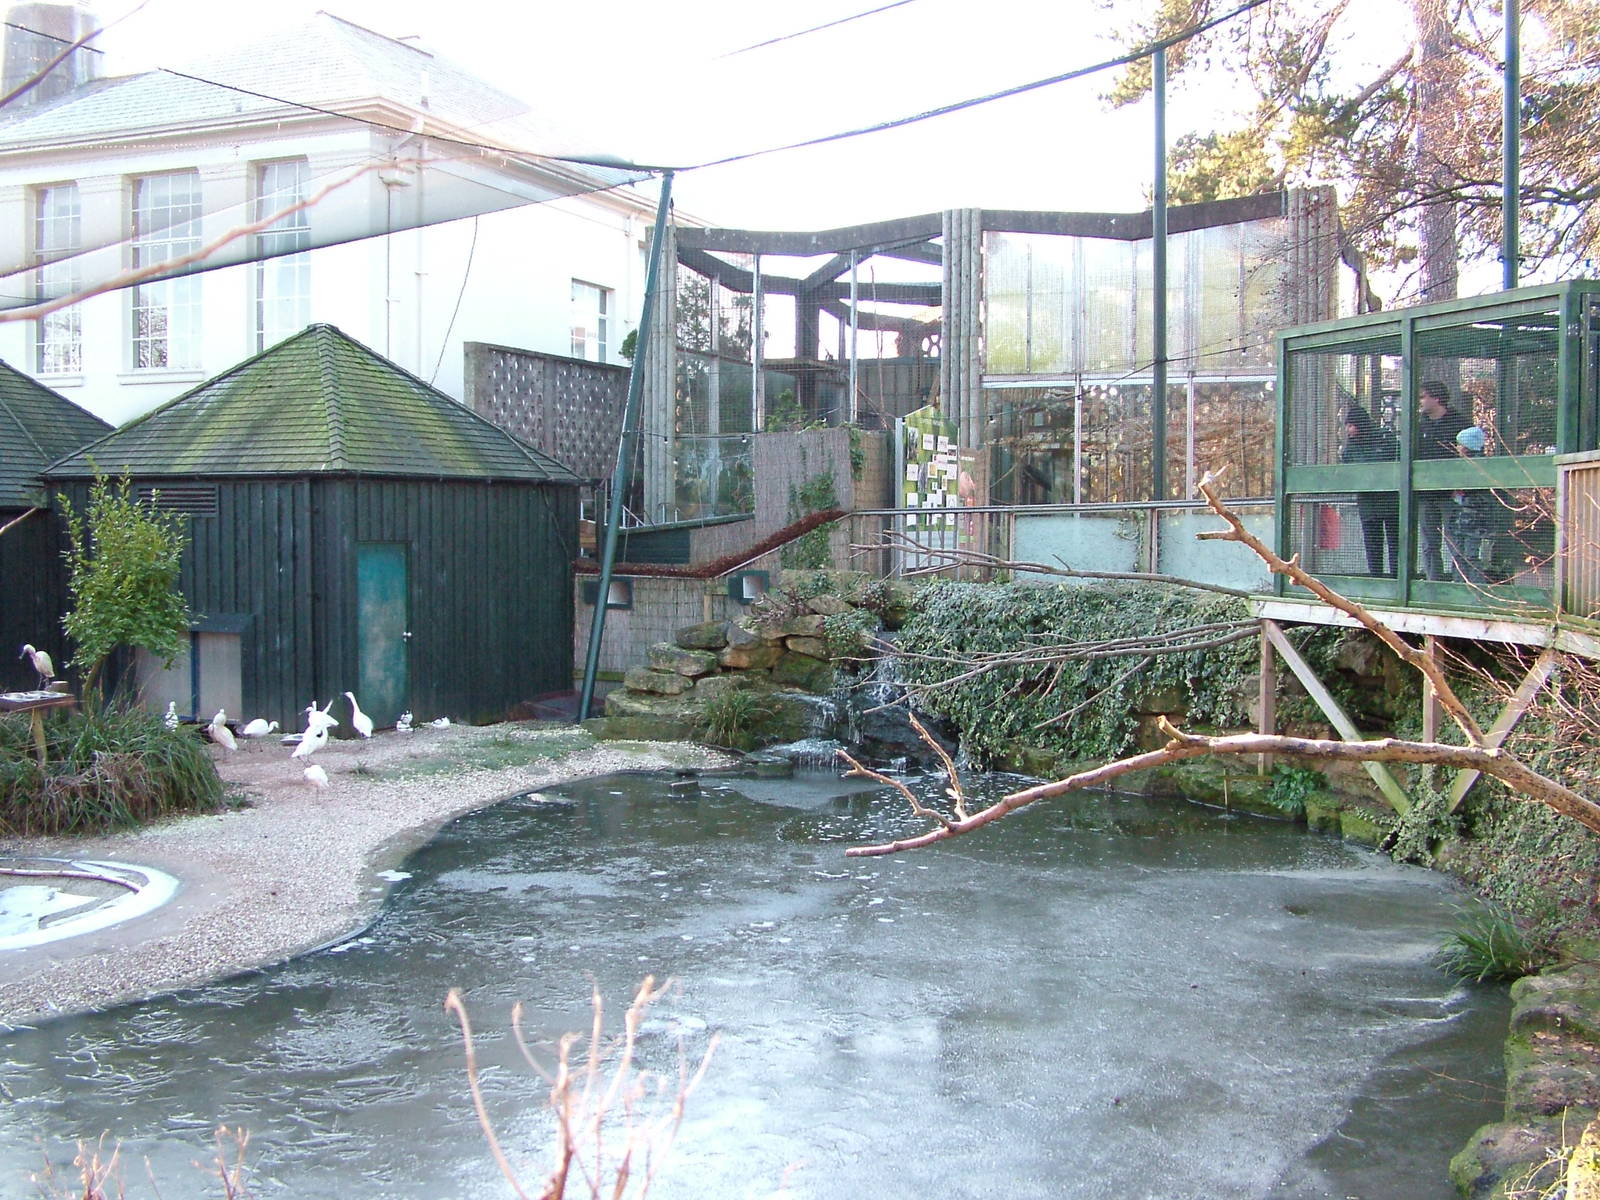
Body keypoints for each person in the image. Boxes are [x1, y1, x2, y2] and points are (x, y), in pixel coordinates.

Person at [1416, 380, 1471, 580]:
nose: (1420, 402)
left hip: (1451, 492)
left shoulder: (1460, 423)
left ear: (1436, 398)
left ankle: (1460, 585)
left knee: (1455, 541)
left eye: (1423, 397)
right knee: (1429, 544)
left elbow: (1469, 457)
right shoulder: (1418, 424)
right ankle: (1434, 585)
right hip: (1425, 492)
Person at [1340, 405, 1399, 576]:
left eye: (1351, 425)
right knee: (1373, 544)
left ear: (1360, 424)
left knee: (1396, 544)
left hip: (1391, 502)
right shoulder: (1350, 448)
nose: (1348, 430)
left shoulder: (1385, 438)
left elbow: (1397, 460)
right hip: (1368, 503)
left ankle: (1398, 579)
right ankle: (1376, 579)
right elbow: (1346, 472)